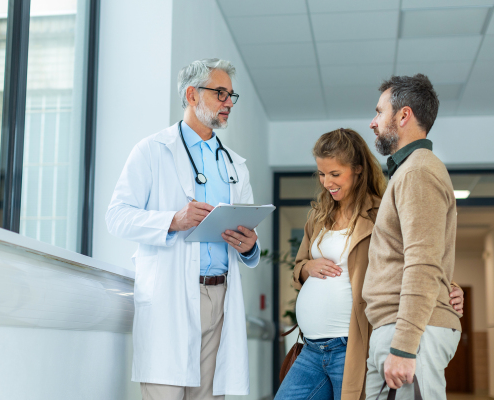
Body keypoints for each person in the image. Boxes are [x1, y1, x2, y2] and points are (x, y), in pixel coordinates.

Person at [106, 58, 260, 400]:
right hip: (171, 294)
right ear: (192, 95)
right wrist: (172, 221)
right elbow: (116, 216)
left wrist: (249, 245)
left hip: (220, 298)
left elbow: (249, 233)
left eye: (231, 96)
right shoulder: (152, 151)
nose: (228, 103)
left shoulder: (235, 165)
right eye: (220, 93)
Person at [276, 128, 464, 400]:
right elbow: (299, 266)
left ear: (358, 169)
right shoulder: (318, 216)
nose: (327, 182)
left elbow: (417, 254)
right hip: (311, 348)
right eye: (321, 173)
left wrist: (449, 286)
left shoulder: (381, 212)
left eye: (335, 174)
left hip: (350, 344)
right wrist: (307, 268)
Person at [363, 74, 463, 399]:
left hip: (408, 337)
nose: (372, 122)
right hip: (398, 331)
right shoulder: (408, 171)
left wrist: (404, 348)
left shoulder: (418, 171)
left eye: (379, 112)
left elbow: (422, 263)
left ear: (403, 115)